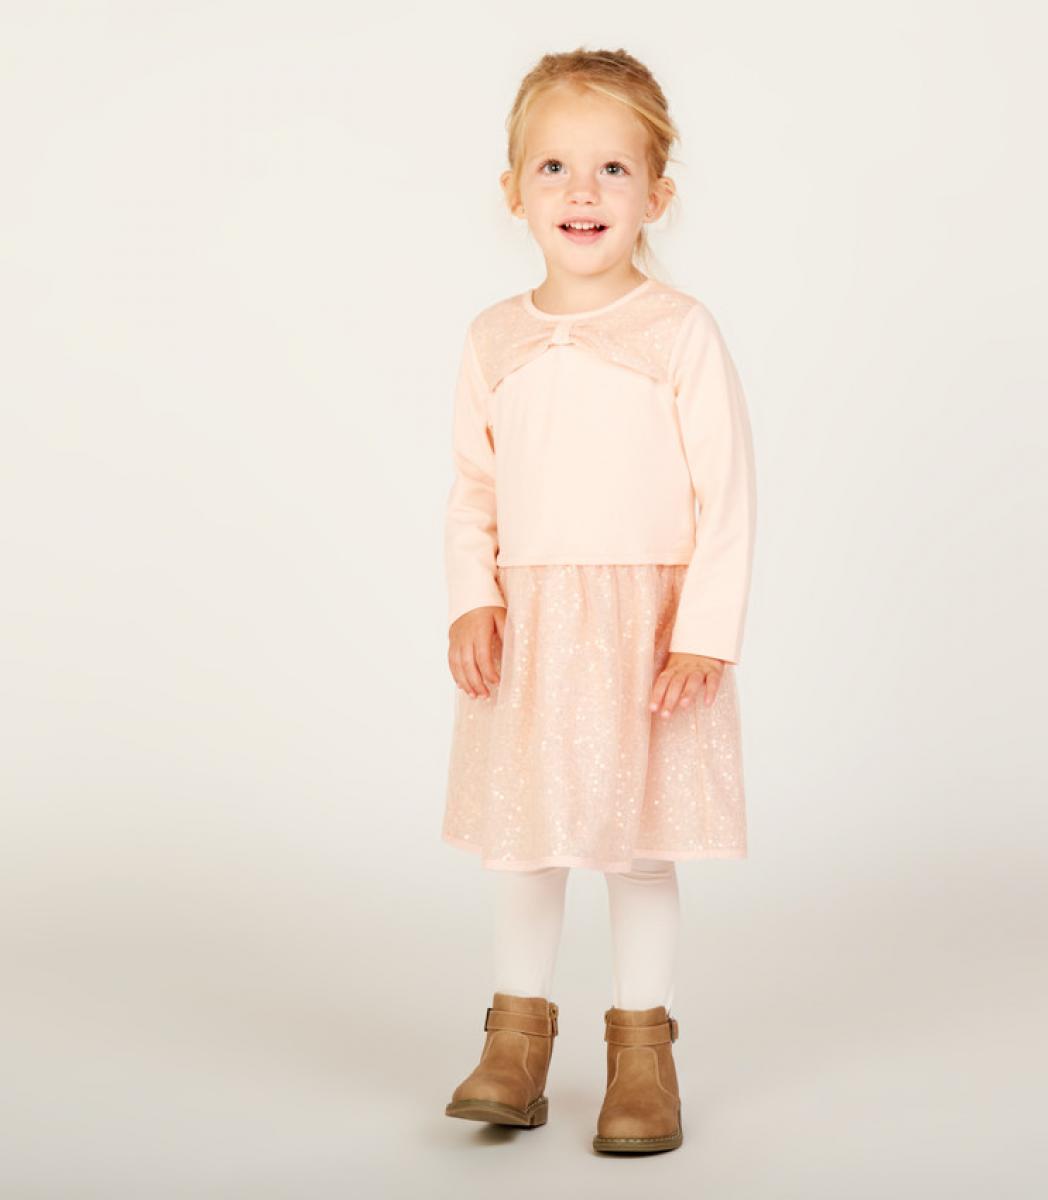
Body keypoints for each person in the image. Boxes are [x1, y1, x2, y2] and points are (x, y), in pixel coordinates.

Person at [439, 47, 756, 1155]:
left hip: (644, 631)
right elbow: (472, 487)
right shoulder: (495, 338)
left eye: (613, 168)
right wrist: (471, 599)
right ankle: (514, 1045)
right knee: (523, 841)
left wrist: (704, 634)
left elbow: (727, 494)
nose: (583, 191)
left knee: (637, 846)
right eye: (556, 167)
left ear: (656, 194)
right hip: (534, 629)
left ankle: (642, 1058)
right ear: (514, 190)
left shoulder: (677, 331)